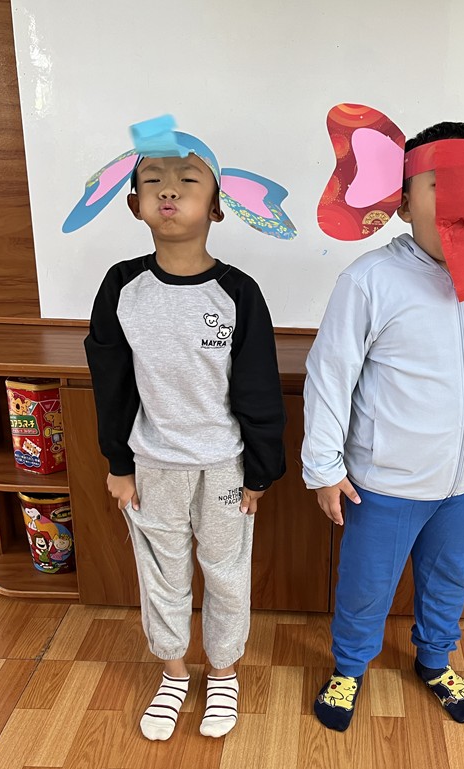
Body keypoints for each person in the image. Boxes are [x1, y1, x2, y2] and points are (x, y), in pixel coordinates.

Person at [302, 121, 464, 731]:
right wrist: (323, 467)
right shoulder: (370, 280)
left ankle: (435, 660)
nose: (462, 199)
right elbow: (330, 375)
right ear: (404, 201)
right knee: (366, 585)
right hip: (386, 483)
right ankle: (349, 668)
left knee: (449, 579)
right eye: (439, 184)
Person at [82, 115, 289, 741]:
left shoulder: (239, 293)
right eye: (153, 180)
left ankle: (222, 672)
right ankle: (173, 673)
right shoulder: (122, 287)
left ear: (217, 205)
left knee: (226, 571)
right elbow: (112, 382)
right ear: (135, 204)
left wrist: (260, 472)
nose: (168, 190)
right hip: (152, 466)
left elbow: (258, 388)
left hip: (225, 466)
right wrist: (119, 464)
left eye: (187, 180)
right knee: (162, 574)